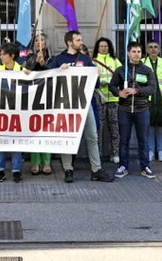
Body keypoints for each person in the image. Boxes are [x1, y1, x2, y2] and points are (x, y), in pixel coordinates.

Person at [48, 30, 114, 183]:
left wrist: (96, 74)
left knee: (92, 136)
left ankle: (96, 169)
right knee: (67, 137)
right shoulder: (59, 59)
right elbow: (47, 78)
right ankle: (68, 169)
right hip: (66, 105)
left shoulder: (85, 59)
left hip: (85, 103)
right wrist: (58, 70)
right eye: (78, 40)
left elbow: (95, 85)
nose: (81, 42)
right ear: (69, 42)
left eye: (81, 39)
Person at [109, 41, 157, 179]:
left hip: (142, 109)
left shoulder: (147, 70)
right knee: (124, 139)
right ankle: (123, 166)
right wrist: (118, 93)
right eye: (134, 51)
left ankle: (145, 166)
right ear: (128, 53)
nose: (136, 54)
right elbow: (112, 86)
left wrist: (136, 90)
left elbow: (152, 89)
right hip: (124, 109)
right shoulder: (121, 70)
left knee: (144, 140)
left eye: (139, 52)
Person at [0, 42, 26, 183]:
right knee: (0, 141)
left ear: (12, 56)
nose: (1, 57)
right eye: (0, 54)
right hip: (1, 111)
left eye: (3, 54)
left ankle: (16, 170)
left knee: (16, 141)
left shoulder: (23, 71)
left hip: (17, 112)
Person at [26, 32, 53, 175]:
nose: (38, 43)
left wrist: (44, 66)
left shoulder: (53, 59)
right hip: (33, 98)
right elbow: (28, 73)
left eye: (42, 40)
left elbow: (54, 75)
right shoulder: (29, 58)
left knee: (46, 131)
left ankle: (46, 162)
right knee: (34, 130)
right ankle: (35, 162)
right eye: (36, 40)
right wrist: (37, 63)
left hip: (48, 98)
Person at [91, 37, 121, 164]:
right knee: (99, 128)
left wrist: (113, 84)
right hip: (99, 98)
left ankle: (115, 153)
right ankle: (98, 154)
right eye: (101, 46)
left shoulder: (115, 61)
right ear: (97, 47)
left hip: (113, 98)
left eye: (106, 46)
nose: (104, 48)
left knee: (114, 128)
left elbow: (121, 74)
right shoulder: (93, 62)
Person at [143, 39, 162, 162]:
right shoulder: (143, 63)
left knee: (161, 126)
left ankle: (161, 151)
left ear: (159, 50)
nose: (153, 49)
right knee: (149, 126)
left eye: (155, 47)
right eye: (150, 47)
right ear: (147, 50)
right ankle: (150, 150)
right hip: (147, 99)